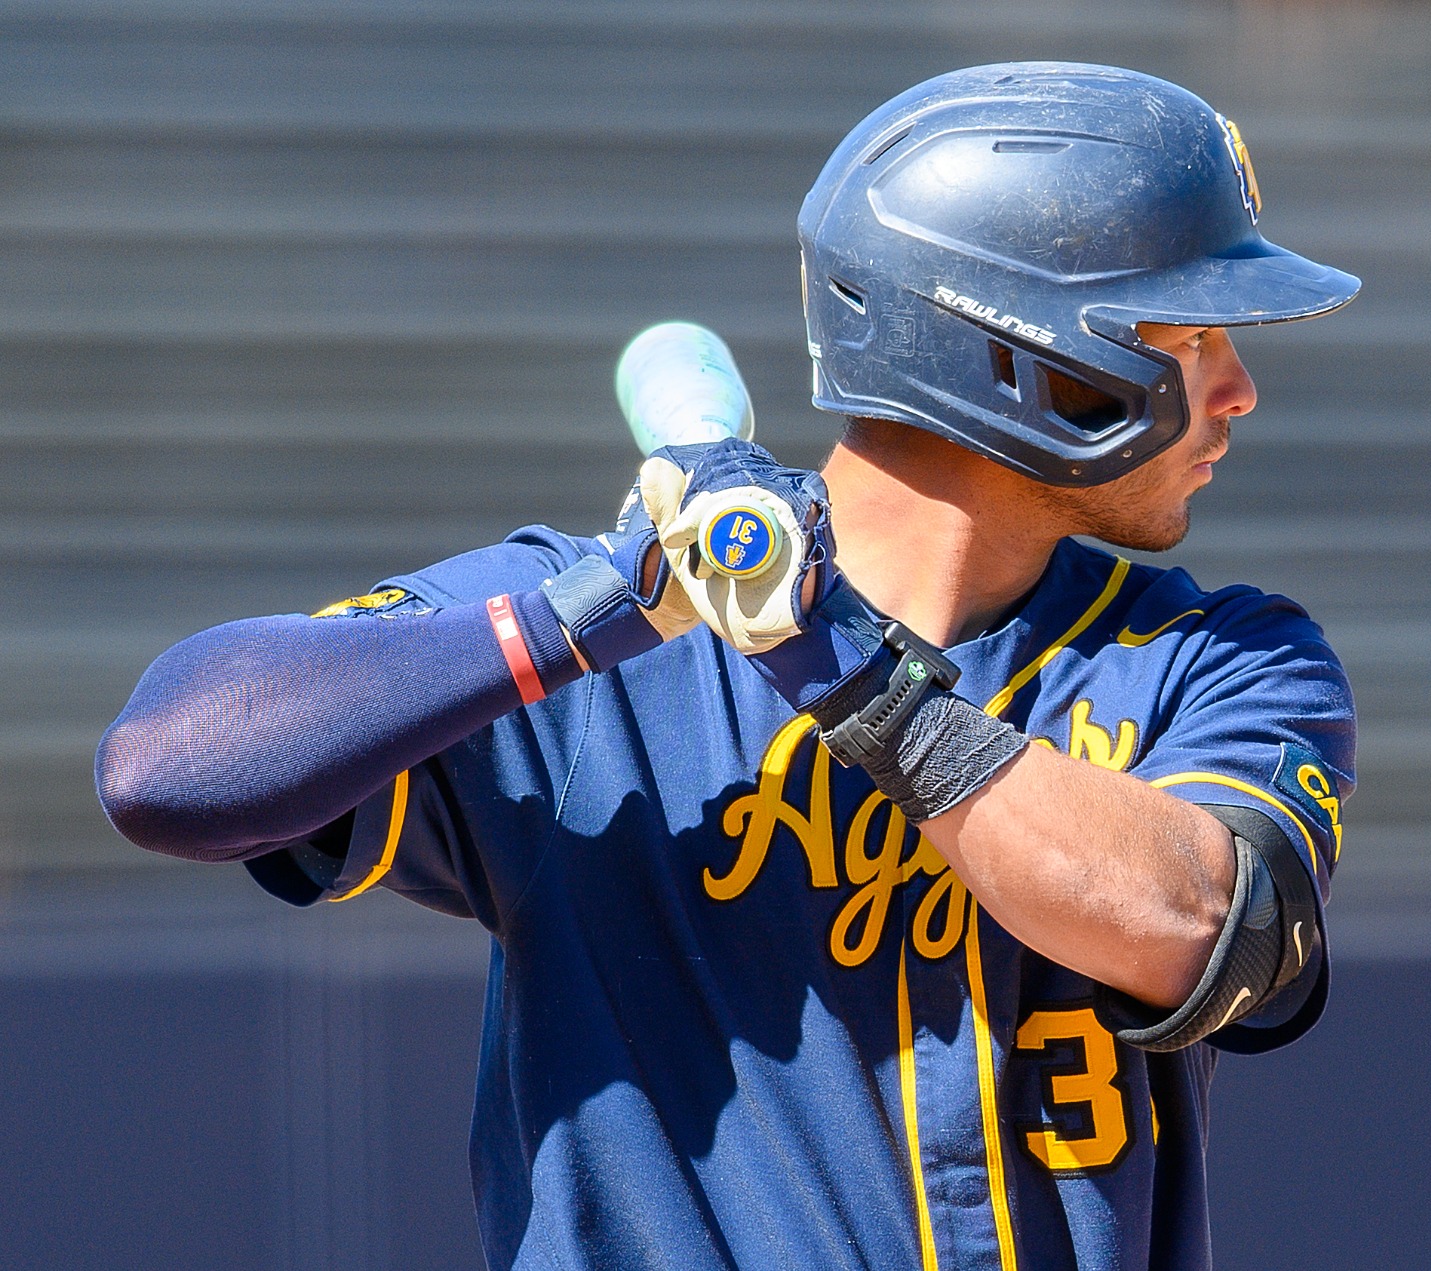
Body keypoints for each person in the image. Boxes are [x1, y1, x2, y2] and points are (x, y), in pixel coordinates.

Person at [96, 62, 1358, 1271]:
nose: (1236, 390)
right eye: (1188, 338)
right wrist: (570, 622)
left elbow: (1204, 922)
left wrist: (841, 664)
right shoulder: (605, 631)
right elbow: (168, 767)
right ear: (1021, 358)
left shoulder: (1217, 657)